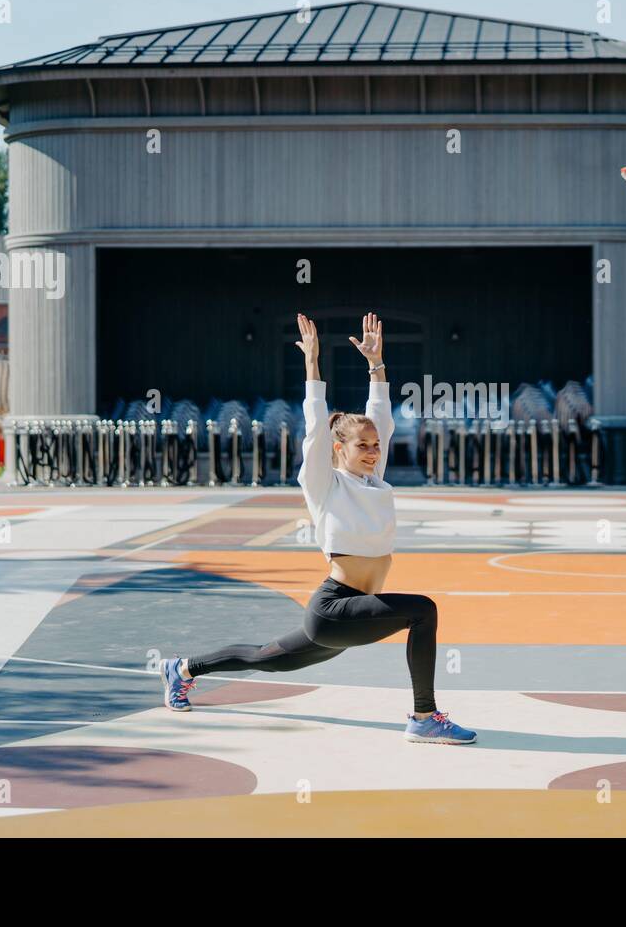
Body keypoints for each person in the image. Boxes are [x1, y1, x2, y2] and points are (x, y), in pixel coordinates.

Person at [159, 312, 476, 744]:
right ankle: (424, 717)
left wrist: (376, 364)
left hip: (347, 618)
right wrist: (312, 365)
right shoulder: (324, 484)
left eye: (376, 446)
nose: (372, 451)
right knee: (423, 611)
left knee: (263, 658)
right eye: (361, 446)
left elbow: (379, 415)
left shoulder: (374, 481)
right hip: (334, 609)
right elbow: (315, 425)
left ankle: (182, 668)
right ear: (338, 449)